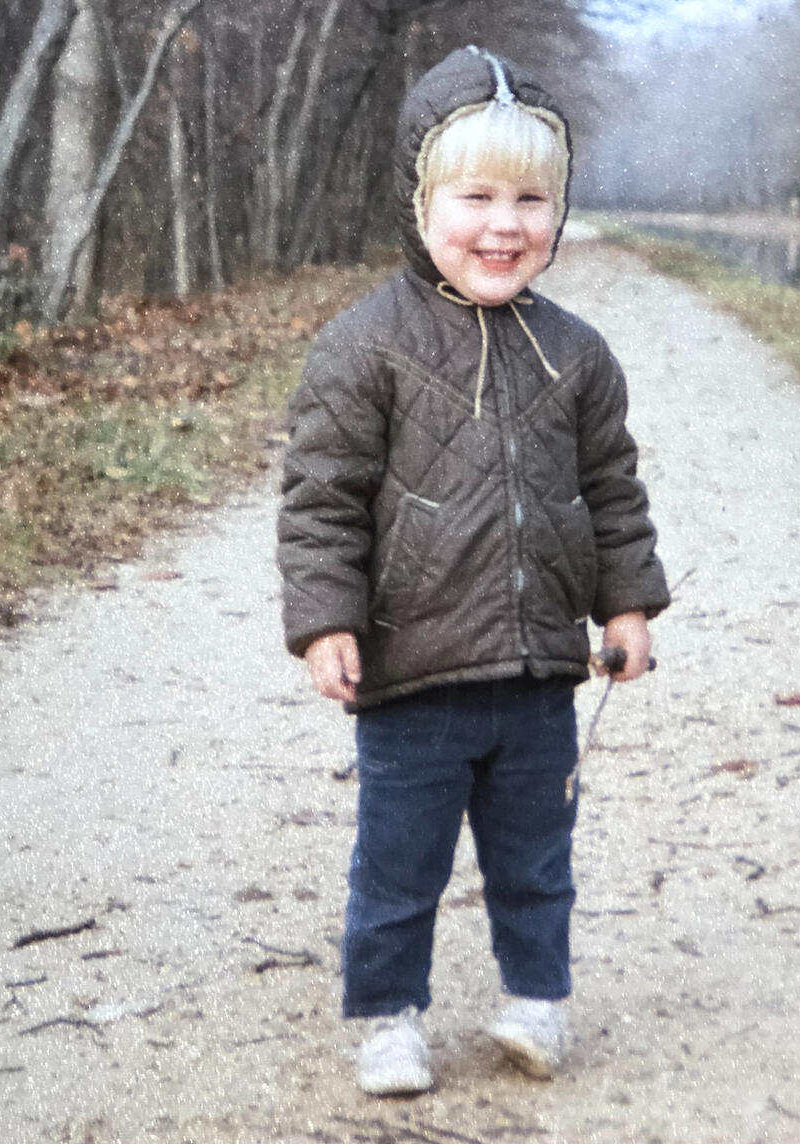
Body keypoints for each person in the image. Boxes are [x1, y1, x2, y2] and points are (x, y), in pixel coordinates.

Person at [275, 44, 670, 1097]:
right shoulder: (364, 347)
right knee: (398, 864)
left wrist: (627, 605)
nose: (505, 226)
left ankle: (536, 1002)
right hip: (414, 675)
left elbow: (612, 489)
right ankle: (387, 1018)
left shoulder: (576, 354)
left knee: (536, 858)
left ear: (559, 212)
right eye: (477, 198)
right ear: (420, 203)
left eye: (531, 200)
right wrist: (326, 621)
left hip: (540, 677)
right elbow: (322, 499)